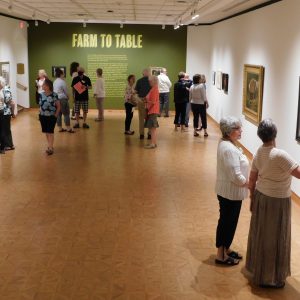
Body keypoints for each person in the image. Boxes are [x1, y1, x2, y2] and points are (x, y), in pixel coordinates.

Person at [246, 119, 300, 288]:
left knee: (262, 235)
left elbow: (252, 179)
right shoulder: (280, 154)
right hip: (278, 201)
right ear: (274, 134)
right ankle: (273, 277)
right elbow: (299, 174)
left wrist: (252, 199)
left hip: (261, 197)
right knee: (277, 237)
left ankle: (260, 271)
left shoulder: (258, 152)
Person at [215, 116, 249, 266]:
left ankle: (226, 249)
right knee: (226, 223)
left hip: (231, 192)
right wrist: (250, 183)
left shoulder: (228, 143)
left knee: (229, 221)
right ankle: (221, 255)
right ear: (229, 132)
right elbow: (235, 176)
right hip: (230, 193)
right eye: (237, 128)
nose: (241, 130)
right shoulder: (229, 149)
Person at [39, 79, 61, 155]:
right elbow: (40, 105)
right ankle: (49, 145)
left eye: (43, 84)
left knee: (50, 131)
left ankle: (51, 147)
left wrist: (56, 116)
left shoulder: (54, 95)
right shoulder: (41, 94)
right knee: (46, 132)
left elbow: (58, 106)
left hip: (51, 116)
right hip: (43, 116)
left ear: (48, 86)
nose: (42, 85)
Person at [53, 68, 74, 133]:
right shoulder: (62, 82)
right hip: (62, 99)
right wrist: (68, 97)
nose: (64, 74)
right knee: (66, 114)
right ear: (61, 74)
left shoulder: (55, 81)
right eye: (63, 73)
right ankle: (68, 128)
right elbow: (66, 91)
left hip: (56, 100)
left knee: (59, 114)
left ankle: (60, 128)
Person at [0, 76, 15, 154]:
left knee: (5, 129)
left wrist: (12, 112)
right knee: (5, 129)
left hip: (5, 112)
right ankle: (7, 145)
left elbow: (9, 101)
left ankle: (8, 145)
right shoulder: (3, 89)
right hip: (5, 112)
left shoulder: (5, 89)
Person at [135, 68, 151, 140]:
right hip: (150, 102)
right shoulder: (152, 81)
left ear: (143, 74)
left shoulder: (139, 81)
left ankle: (141, 134)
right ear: (149, 73)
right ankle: (149, 134)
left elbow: (136, 92)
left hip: (141, 101)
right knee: (150, 118)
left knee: (141, 118)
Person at [144, 76, 160, 149]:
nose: (149, 82)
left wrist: (146, 102)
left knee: (152, 128)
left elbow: (153, 102)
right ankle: (153, 143)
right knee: (152, 128)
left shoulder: (154, 89)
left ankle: (153, 144)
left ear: (154, 81)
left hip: (152, 110)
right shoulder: (154, 88)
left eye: (150, 81)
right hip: (152, 110)